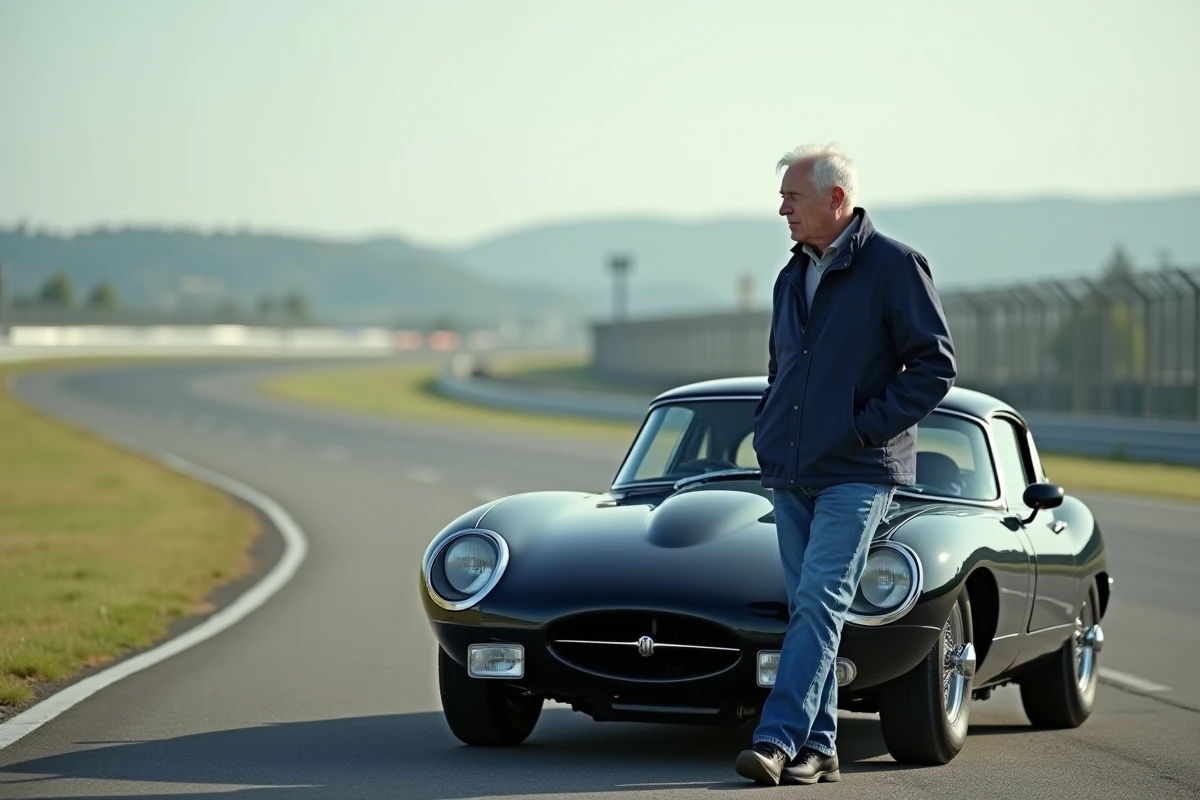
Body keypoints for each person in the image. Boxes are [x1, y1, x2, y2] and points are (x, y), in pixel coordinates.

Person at [734, 144, 957, 786]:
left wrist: (864, 429)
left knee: (820, 600)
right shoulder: (789, 275)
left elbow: (934, 368)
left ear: (837, 199)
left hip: (859, 470)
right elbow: (783, 370)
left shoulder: (895, 267)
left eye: (792, 197)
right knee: (812, 608)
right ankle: (822, 746)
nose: (782, 209)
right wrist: (770, 430)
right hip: (791, 469)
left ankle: (777, 739)